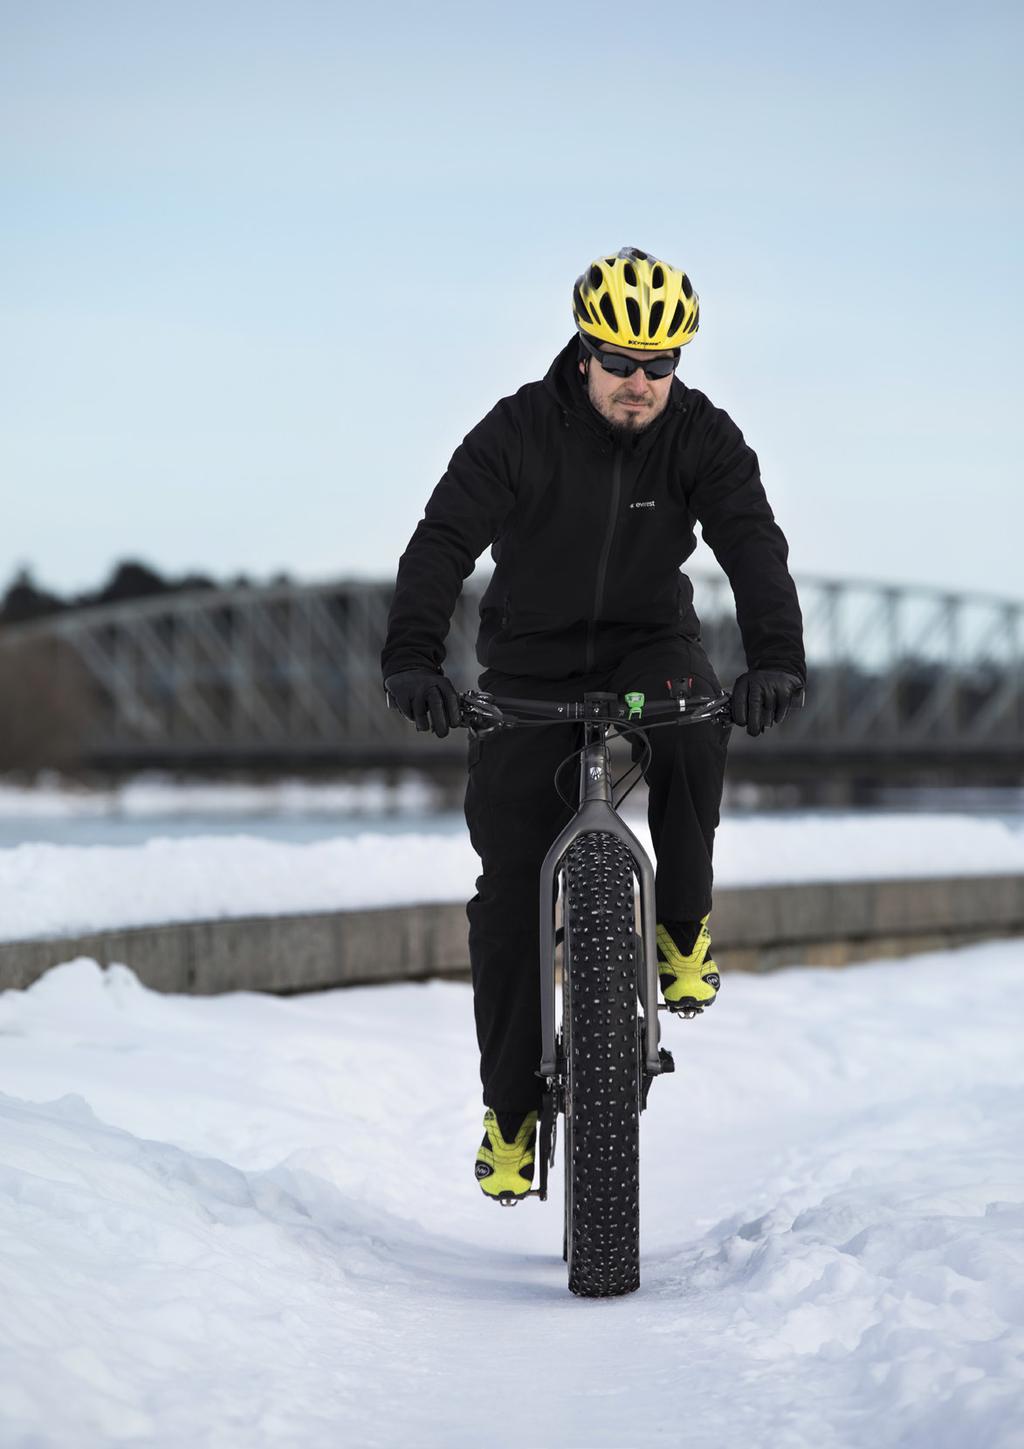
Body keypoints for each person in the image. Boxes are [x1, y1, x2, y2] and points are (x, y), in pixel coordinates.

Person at [382, 246, 805, 1202]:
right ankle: (511, 1115)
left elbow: (752, 542)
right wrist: (412, 659)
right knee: (508, 892)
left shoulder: (703, 436)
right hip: (527, 658)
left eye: (661, 365)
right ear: (584, 351)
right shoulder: (517, 431)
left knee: (697, 721)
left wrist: (776, 657)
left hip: (648, 641)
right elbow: (443, 537)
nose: (640, 383)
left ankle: (683, 924)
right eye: (622, 362)